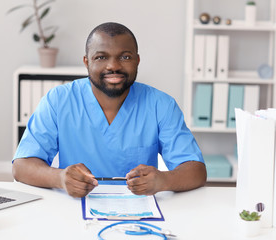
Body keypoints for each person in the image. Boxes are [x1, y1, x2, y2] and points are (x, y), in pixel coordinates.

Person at [12, 22, 207, 198]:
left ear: (137, 60)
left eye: (125, 56)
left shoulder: (161, 105)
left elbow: (196, 170)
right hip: (73, 207)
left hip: (139, 211)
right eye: (101, 57)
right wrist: (60, 178)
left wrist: (164, 180)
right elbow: (21, 167)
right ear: (87, 62)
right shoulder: (58, 100)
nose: (113, 66)